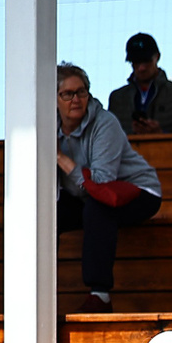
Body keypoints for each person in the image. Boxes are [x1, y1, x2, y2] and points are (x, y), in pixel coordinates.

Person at [56, 64, 163, 313]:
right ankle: (38, 290)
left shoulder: (105, 123)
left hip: (137, 191)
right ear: (55, 99)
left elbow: (102, 183)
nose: (76, 99)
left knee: (98, 208)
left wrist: (60, 157)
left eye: (81, 92)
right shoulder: (47, 126)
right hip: (85, 194)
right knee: (47, 213)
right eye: (67, 94)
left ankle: (100, 296)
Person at [108, 32, 172, 136]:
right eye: (136, 62)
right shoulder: (117, 98)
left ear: (157, 57)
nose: (141, 68)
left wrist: (160, 135)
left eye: (146, 61)